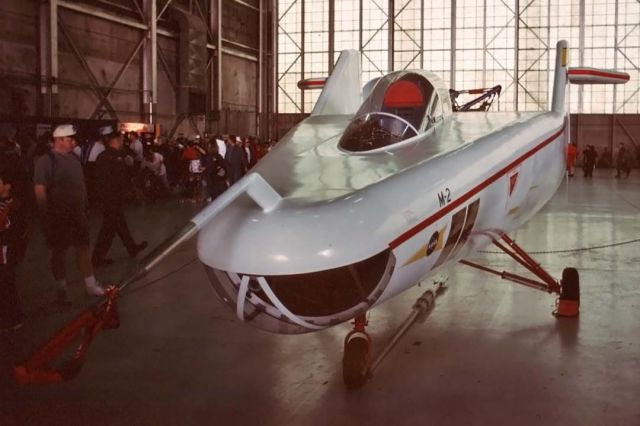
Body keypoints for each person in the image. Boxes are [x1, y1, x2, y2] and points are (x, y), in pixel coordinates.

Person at [33, 124, 105, 300]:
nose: (74, 142)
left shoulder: (74, 159)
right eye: (70, 139)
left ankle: (90, 284)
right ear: (58, 140)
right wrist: (44, 216)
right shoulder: (45, 161)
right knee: (59, 252)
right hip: (58, 217)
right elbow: (40, 190)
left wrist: (85, 207)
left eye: (74, 139)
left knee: (83, 248)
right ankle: (62, 287)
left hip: (78, 215)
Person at [92, 127, 147, 267]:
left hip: (113, 196)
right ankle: (97, 258)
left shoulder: (111, 155)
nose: (123, 141)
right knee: (108, 228)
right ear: (116, 140)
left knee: (120, 224)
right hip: (111, 197)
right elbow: (115, 178)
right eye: (122, 139)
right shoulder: (110, 157)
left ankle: (131, 248)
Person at [0, 168, 24, 332]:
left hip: (5, 249)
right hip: (7, 248)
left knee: (5, 282)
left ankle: (11, 318)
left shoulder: (8, 204)